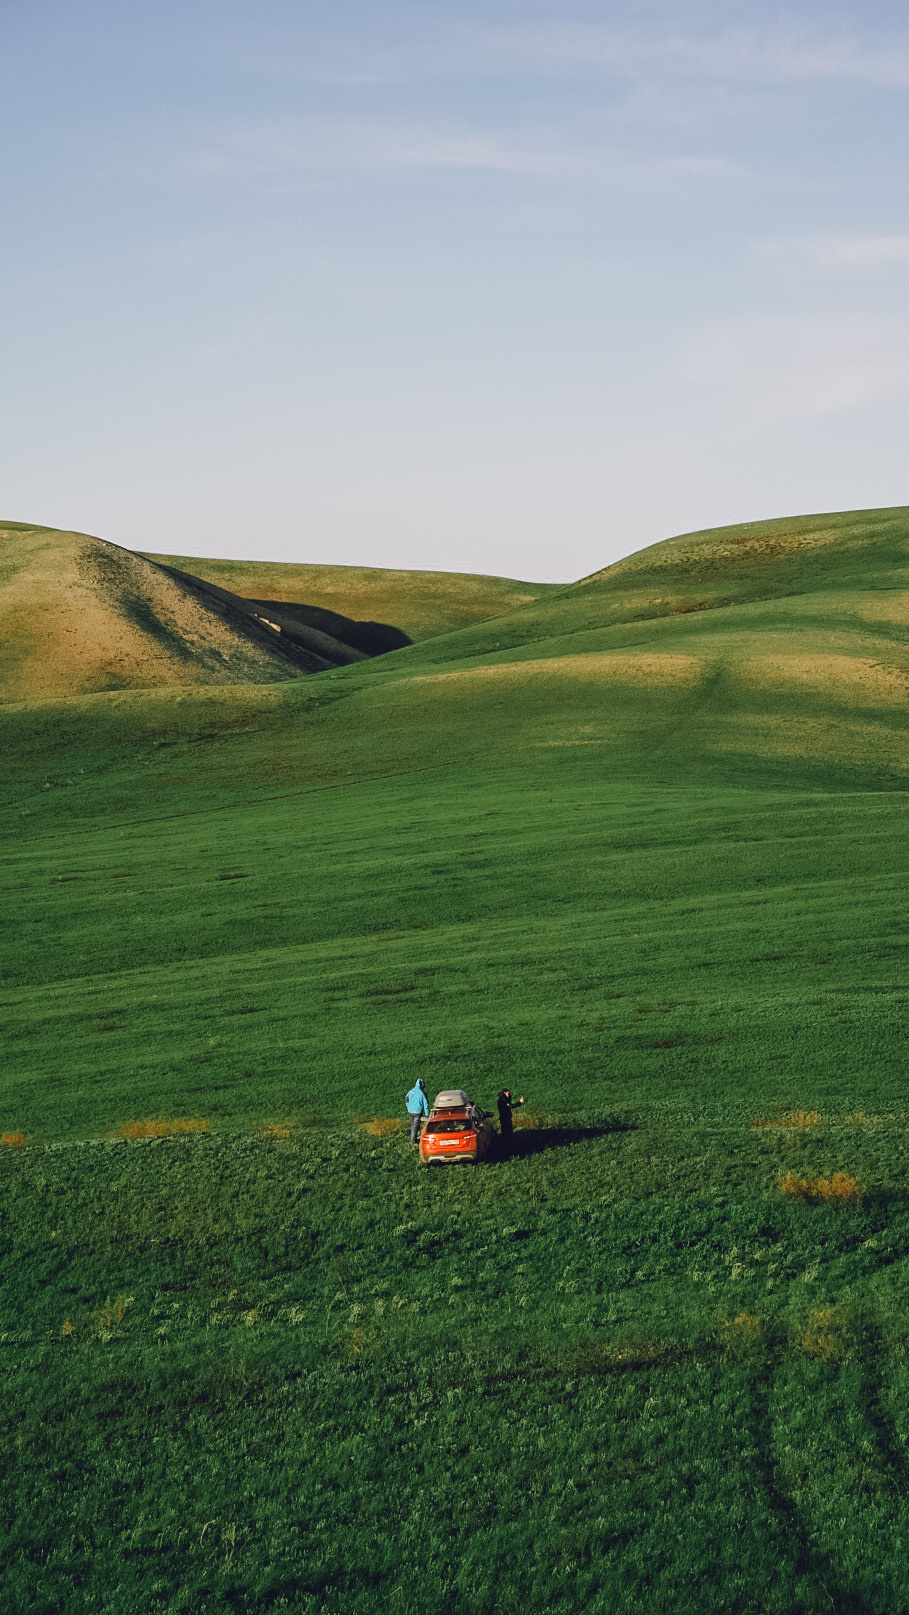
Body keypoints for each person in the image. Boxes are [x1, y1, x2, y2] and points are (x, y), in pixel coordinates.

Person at [405, 1078, 430, 1145]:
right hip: (418, 1112)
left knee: (413, 1125)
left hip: (410, 1111)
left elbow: (406, 1099)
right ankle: (413, 1141)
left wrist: (408, 1106)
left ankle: (413, 1138)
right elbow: (426, 1104)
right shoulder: (422, 1093)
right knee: (415, 1126)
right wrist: (427, 1114)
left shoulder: (411, 1091)